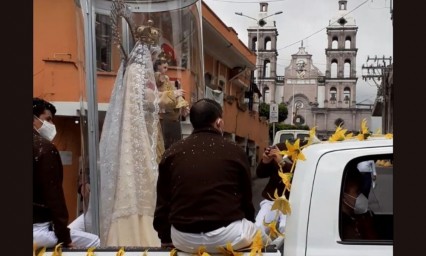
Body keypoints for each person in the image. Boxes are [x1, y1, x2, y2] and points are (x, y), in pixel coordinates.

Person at [98, 20, 180, 246]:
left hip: (147, 128)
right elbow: (139, 100)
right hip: (137, 132)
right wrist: (166, 98)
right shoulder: (135, 70)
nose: (155, 60)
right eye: (153, 54)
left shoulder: (145, 73)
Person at [153, 98, 264, 253]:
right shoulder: (235, 151)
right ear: (219, 122)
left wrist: (165, 238)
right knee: (263, 236)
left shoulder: (172, 153)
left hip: (183, 238)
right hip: (228, 236)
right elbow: (246, 200)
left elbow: (163, 202)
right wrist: (247, 225)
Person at [33, 98, 100, 249]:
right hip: (40, 230)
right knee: (95, 242)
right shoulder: (45, 149)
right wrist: (65, 238)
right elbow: (54, 197)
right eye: (47, 119)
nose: (51, 125)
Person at [154, 52, 190, 149]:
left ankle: (183, 106)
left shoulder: (165, 77)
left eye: (167, 67)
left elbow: (171, 89)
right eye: (164, 67)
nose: (166, 70)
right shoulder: (158, 75)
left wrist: (180, 100)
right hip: (161, 105)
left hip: (167, 105)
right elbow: (162, 83)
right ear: (158, 67)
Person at [340, 166, 377, 240]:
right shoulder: (343, 226)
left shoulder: (357, 218)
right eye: (357, 192)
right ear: (344, 195)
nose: (361, 196)